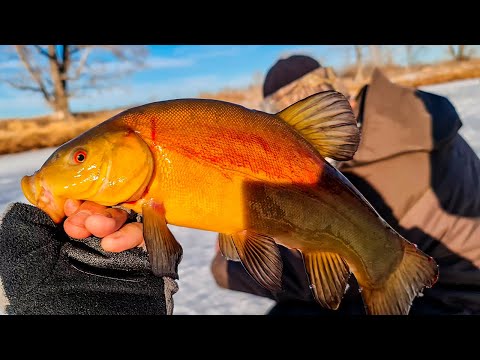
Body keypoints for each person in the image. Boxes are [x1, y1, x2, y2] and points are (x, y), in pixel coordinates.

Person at [210, 55, 480, 315]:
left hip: (457, 297)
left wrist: (226, 267)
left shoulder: (379, 157)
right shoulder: (397, 116)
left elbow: (328, 274)